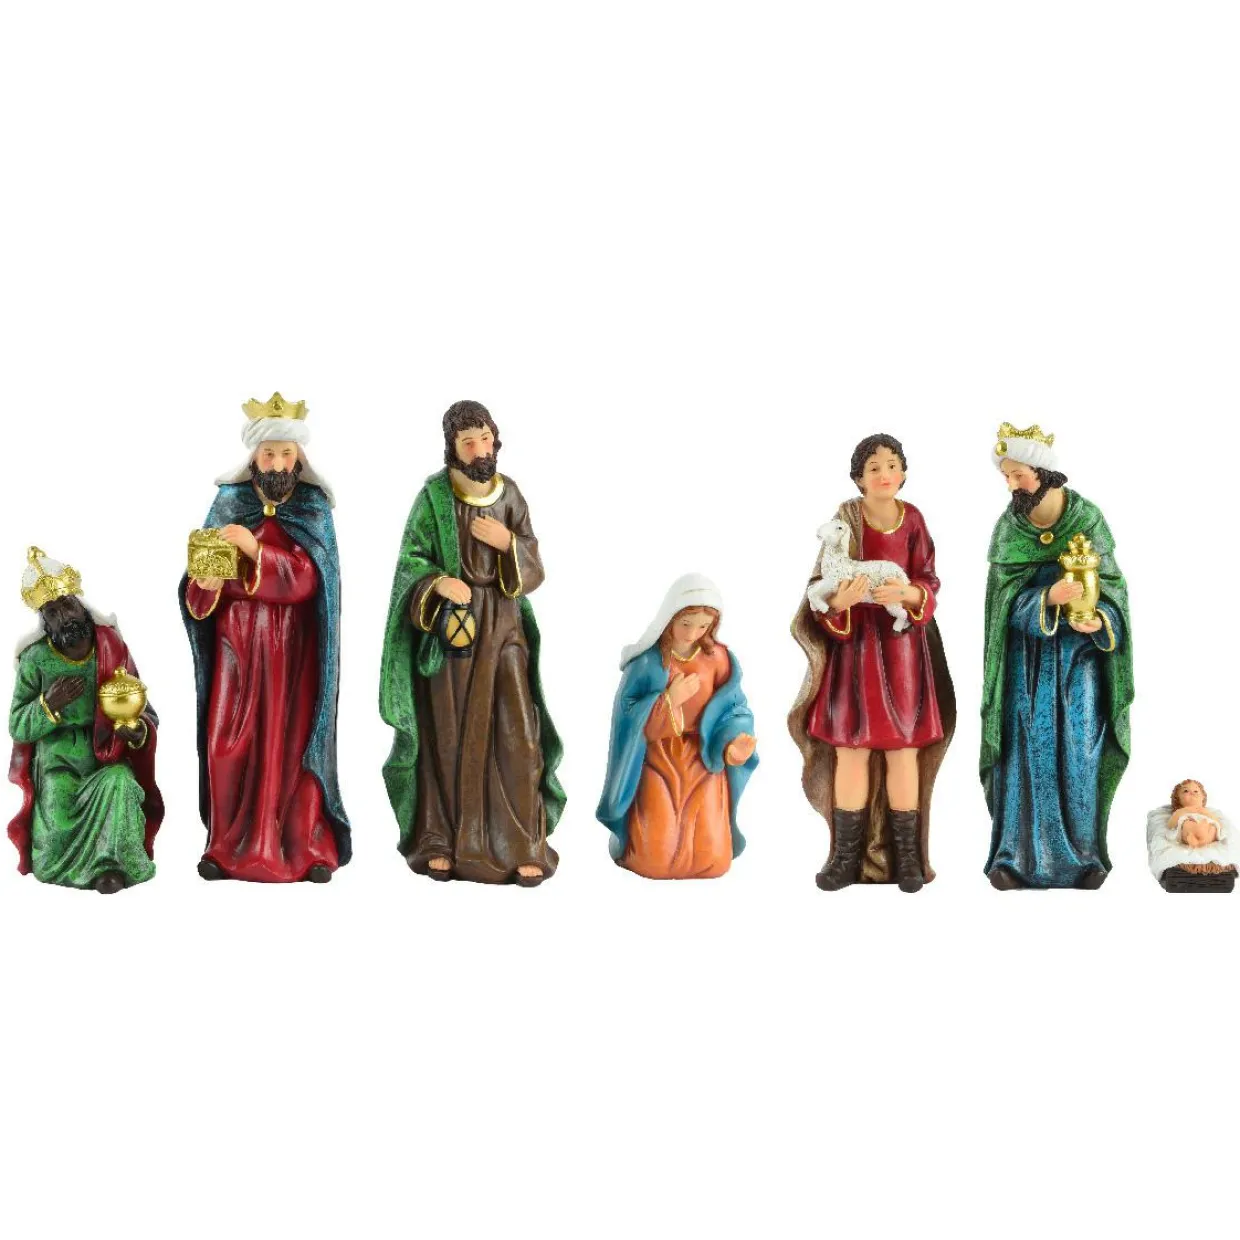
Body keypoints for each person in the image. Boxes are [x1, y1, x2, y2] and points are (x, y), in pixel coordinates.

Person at [380, 399, 564, 885]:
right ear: (452, 447)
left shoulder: (511, 495)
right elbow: (409, 563)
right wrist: (439, 582)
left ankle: (522, 843)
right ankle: (440, 838)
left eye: (485, 439)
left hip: (503, 626)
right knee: (448, 732)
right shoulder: (433, 498)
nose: (481, 450)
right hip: (454, 631)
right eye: (469, 443)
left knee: (518, 732)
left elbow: (534, 566)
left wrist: (507, 544)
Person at [180, 393, 350, 882]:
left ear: (299, 458)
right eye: (269, 453)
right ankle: (225, 846)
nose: (277, 463)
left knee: (292, 743)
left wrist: (255, 551)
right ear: (254, 456)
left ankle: (303, 847)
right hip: (236, 646)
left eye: (286, 454)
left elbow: (312, 579)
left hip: (293, 651)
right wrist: (205, 584)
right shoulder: (229, 503)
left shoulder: (312, 507)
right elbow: (198, 591)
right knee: (226, 743)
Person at [789, 433, 955, 893]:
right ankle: (846, 856)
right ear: (859, 478)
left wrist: (908, 593)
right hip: (856, 651)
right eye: (874, 468)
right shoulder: (845, 520)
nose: (885, 474)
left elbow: (928, 579)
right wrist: (838, 604)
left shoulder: (913, 519)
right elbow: (821, 584)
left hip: (901, 652)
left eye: (892, 465)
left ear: (904, 472)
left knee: (903, 749)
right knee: (851, 749)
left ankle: (907, 857)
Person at [981, 423, 1133, 889]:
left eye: (1018, 474)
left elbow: (1114, 592)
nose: (1012, 485)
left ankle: (1084, 858)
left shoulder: (1087, 519)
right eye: (1006, 476)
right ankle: (1013, 858)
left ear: (1043, 472)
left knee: (1080, 749)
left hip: (1078, 661)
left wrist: (1100, 619)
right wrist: (1047, 598)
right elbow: (999, 606)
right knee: (1026, 751)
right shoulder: (1009, 528)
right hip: (1026, 663)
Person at [8, 548, 163, 893]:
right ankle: (57, 864)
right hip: (58, 763)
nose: (64, 617)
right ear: (45, 622)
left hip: (103, 755)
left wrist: (135, 730)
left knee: (121, 783)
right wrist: (48, 705)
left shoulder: (112, 648)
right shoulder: (35, 660)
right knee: (56, 806)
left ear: (81, 605)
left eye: (67, 605)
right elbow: (17, 724)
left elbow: (144, 709)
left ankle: (111, 867)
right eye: (52, 612)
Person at [597, 575, 758, 879]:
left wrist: (732, 744)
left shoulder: (718, 658)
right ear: (669, 617)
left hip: (704, 758)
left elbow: (735, 707)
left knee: (714, 860)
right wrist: (668, 701)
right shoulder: (649, 662)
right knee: (653, 859)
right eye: (685, 623)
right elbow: (626, 715)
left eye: (703, 626)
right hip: (658, 759)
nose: (692, 633)